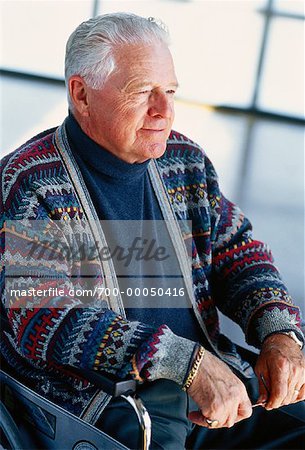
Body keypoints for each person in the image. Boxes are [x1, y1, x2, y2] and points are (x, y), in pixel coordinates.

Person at [1, 12, 304, 450]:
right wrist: (185, 364)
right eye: (143, 91)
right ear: (81, 95)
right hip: (112, 401)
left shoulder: (184, 159)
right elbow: (45, 318)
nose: (164, 110)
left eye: (171, 90)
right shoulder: (31, 183)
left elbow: (239, 253)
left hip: (217, 380)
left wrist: (279, 333)